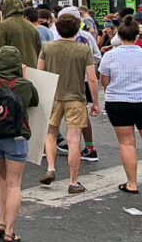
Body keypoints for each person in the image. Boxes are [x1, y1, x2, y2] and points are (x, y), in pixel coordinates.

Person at [0, 46, 38, 242]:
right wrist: (23, 75)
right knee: (15, 183)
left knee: (1, 177)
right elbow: (35, 101)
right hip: (16, 137)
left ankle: (0, 220)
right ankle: (10, 232)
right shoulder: (24, 84)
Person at [38, 14, 99, 192]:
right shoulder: (83, 50)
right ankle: (73, 182)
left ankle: (50, 168)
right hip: (76, 97)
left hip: (53, 96)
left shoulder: (47, 48)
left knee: (50, 134)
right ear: (77, 29)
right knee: (73, 140)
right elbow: (92, 78)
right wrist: (94, 102)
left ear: (57, 28)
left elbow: (40, 72)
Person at [98, 21, 142, 194]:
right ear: (137, 36)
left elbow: (105, 81)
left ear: (119, 36)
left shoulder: (110, 56)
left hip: (118, 101)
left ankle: (132, 183)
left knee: (126, 143)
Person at [0, 0, 42, 68]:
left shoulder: (2, 26)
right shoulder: (31, 26)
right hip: (31, 69)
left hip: (12, 70)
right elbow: (38, 49)